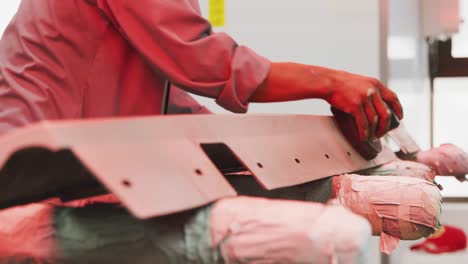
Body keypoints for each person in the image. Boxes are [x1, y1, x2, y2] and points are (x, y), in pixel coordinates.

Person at [0, 0, 403, 142]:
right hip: (39, 165)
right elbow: (202, 61)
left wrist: (263, 148)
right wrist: (331, 84)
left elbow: (171, 99)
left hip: (64, 162)